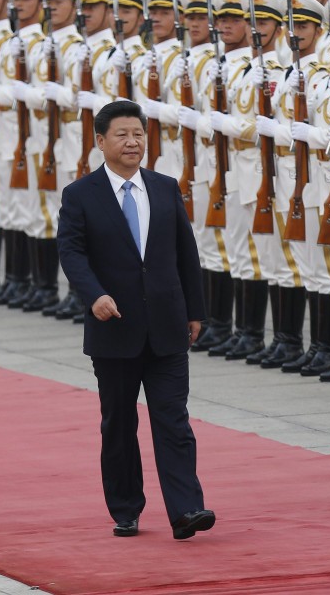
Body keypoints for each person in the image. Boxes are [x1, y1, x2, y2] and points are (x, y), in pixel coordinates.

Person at [56, 100, 214, 540]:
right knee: (119, 423)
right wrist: (94, 295)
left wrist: (195, 310)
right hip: (114, 328)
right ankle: (126, 507)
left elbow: (186, 253)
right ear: (100, 142)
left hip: (166, 325)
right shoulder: (80, 194)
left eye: (139, 134)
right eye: (122, 134)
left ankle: (186, 510)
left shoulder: (164, 188)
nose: (132, 142)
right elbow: (71, 252)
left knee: (173, 419)